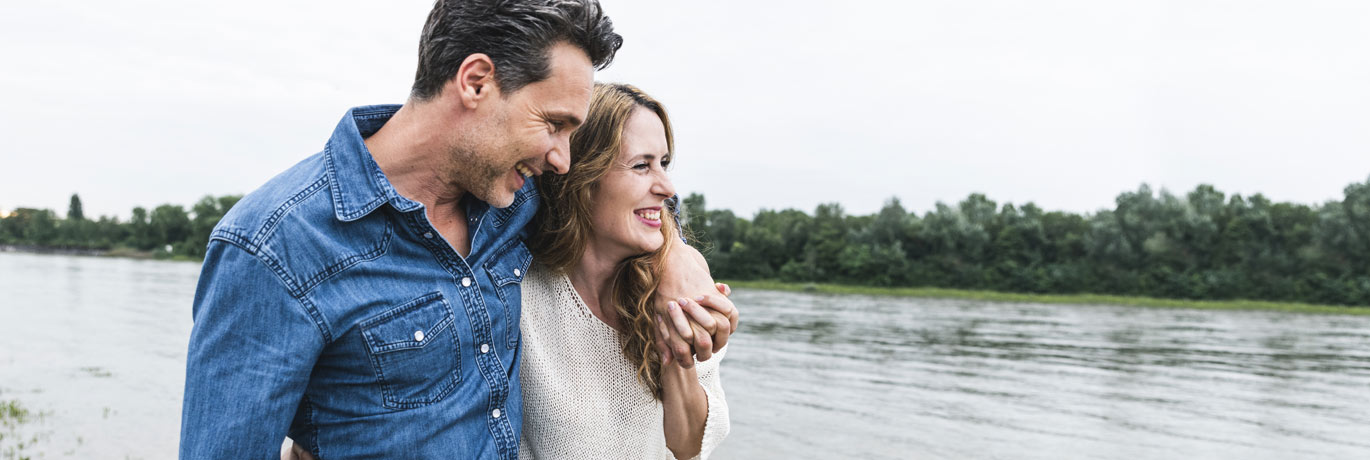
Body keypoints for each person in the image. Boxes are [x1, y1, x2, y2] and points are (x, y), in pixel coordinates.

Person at [179, 1, 736, 458]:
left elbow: (634, 201)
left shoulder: (514, 198)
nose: (562, 158)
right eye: (554, 124)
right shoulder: (273, 247)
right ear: (476, 82)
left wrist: (674, 260)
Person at [517, 83, 730, 459]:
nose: (667, 188)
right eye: (641, 165)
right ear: (583, 176)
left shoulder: (681, 288)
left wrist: (674, 344)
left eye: (664, 163)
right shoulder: (517, 291)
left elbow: (687, 446)